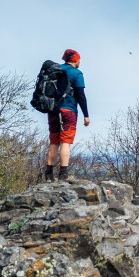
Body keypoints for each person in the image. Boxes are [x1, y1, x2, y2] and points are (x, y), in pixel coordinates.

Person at [45, 49, 90, 181]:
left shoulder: (55, 70)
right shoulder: (76, 73)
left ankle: (48, 175)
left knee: (53, 142)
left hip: (53, 110)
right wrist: (86, 115)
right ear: (76, 59)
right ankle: (63, 174)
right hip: (68, 111)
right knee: (65, 142)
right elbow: (81, 95)